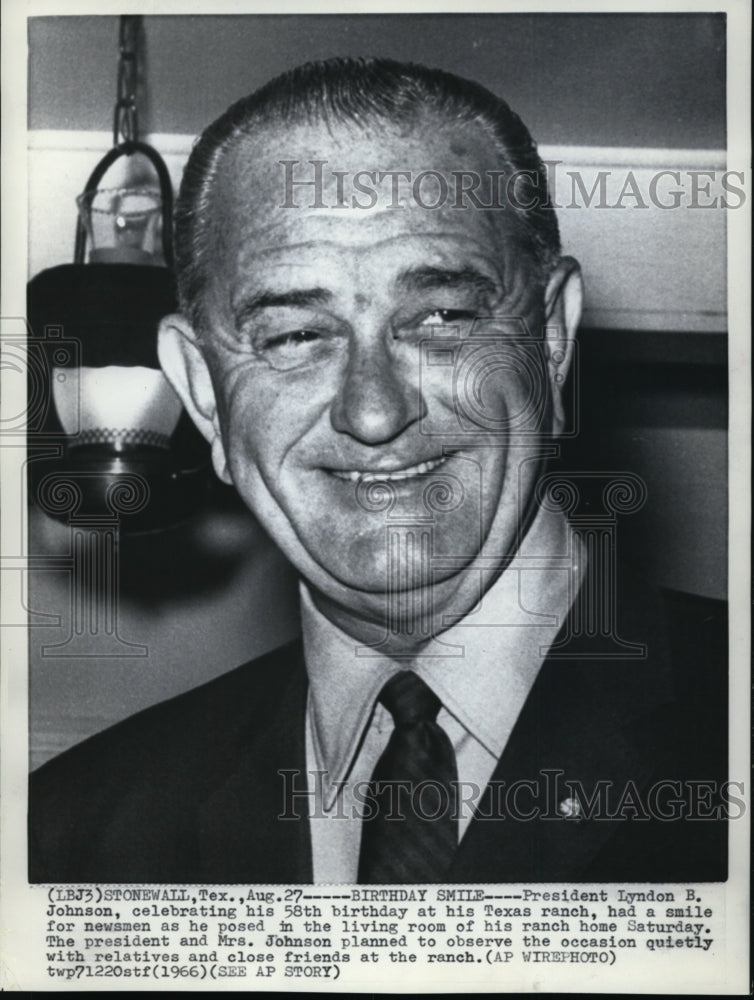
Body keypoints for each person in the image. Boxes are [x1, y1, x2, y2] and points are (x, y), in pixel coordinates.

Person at [29, 57, 727, 884]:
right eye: (295, 335)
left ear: (550, 339)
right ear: (201, 396)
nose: (373, 411)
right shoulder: (72, 838)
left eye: (440, 317)